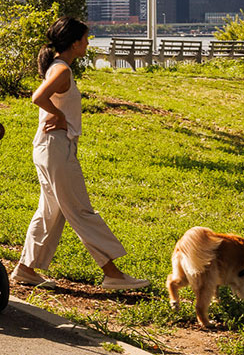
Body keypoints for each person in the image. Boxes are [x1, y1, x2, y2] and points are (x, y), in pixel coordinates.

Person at [12, 17, 148, 292]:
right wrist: (59, 115)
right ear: (74, 43)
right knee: (80, 210)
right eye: (85, 39)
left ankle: (25, 269)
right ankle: (112, 273)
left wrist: (59, 116)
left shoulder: (57, 67)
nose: (88, 43)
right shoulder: (61, 70)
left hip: (49, 147)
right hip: (56, 148)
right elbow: (37, 97)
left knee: (51, 211)